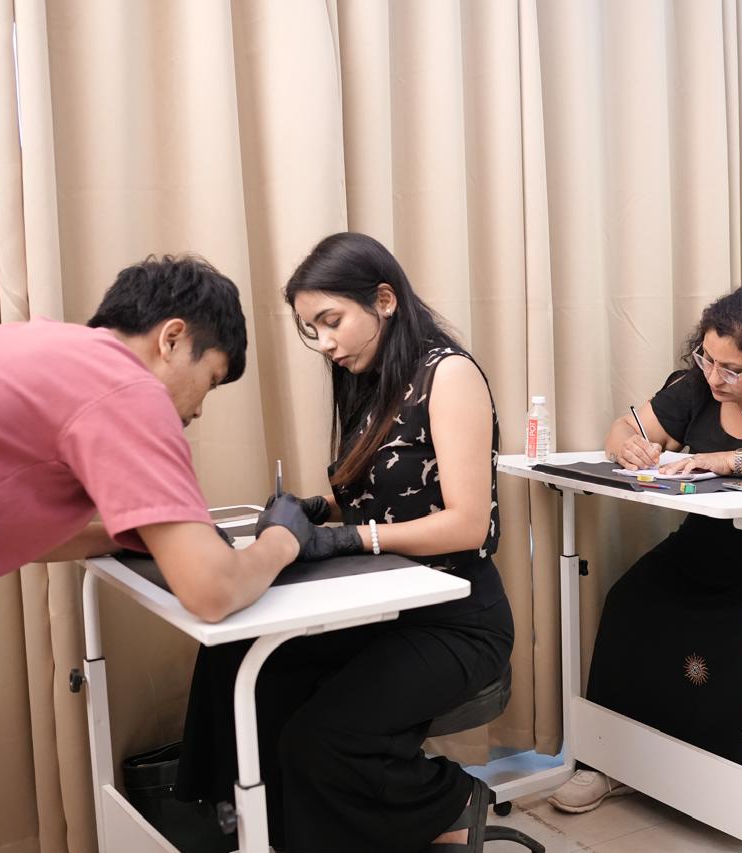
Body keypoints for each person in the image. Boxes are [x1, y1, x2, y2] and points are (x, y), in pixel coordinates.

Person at [175, 233, 513, 853]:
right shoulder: (371, 380)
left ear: (384, 300)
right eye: (313, 330)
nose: (325, 343)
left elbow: (468, 523)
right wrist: (314, 509)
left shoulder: (449, 375)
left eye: (331, 322)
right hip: (384, 606)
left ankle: (452, 799)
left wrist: (348, 538)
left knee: (319, 740)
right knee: (235, 659)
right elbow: (384, 489)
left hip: (456, 619)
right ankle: (248, 825)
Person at [546, 284, 742, 839]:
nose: (716, 377)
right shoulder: (696, 386)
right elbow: (624, 428)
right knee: (632, 602)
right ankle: (616, 761)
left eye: (733, 369)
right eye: (708, 359)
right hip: (713, 549)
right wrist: (629, 447)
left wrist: (727, 460)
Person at [0, 255, 308, 620]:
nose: (198, 410)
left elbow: (17, 536)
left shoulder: (51, 345)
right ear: (172, 339)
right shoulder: (123, 387)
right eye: (210, 380)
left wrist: (141, 538)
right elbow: (214, 591)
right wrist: (283, 539)